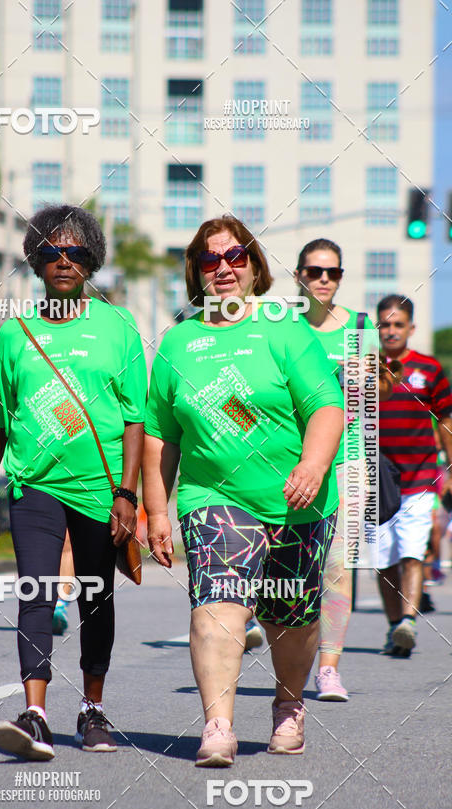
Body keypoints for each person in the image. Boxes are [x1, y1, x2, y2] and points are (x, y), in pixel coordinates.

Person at [143, 215, 344, 765]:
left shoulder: (284, 328)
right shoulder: (177, 344)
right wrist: (157, 513)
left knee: (292, 616)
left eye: (235, 257)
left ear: (255, 267)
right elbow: (160, 436)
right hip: (214, 497)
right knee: (217, 602)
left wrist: (312, 465)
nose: (224, 268)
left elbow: (327, 406)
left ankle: (288, 704)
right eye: (211, 260)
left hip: (299, 498)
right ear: (196, 272)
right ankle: (218, 726)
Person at [0, 204, 147, 759]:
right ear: (35, 262)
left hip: (100, 486)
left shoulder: (118, 328)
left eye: (74, 251)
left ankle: (92, 709)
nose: (62, 260)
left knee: (96, 597)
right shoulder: (15, 334)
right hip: (33, 486)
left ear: (91, 260)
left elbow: (137, 419)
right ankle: (36, 712)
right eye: (50, 251)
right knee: (36, 592)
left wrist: (128, 494)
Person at [294, 238, 376, 702]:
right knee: (292, 566)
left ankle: (328, 669)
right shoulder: (285, 327)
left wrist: (361, 472)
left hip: (346, 463)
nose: (324, 279)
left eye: (333, 272)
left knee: (339, 568)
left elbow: (366, 407)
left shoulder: (359, 328)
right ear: (300, 276)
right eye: (314, 271)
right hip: (293, 462)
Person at [377, 294, 452, 656]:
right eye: (385, 324)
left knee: (411, 550)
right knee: (383, 557)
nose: (391, 331)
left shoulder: (430, 369)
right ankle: (396, 628)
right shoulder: (364, 369)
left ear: (411, 328)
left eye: (398, 324)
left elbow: (446, 420)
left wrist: (450, 468)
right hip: (376, 480)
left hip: (420, 477)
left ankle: (408, 619)